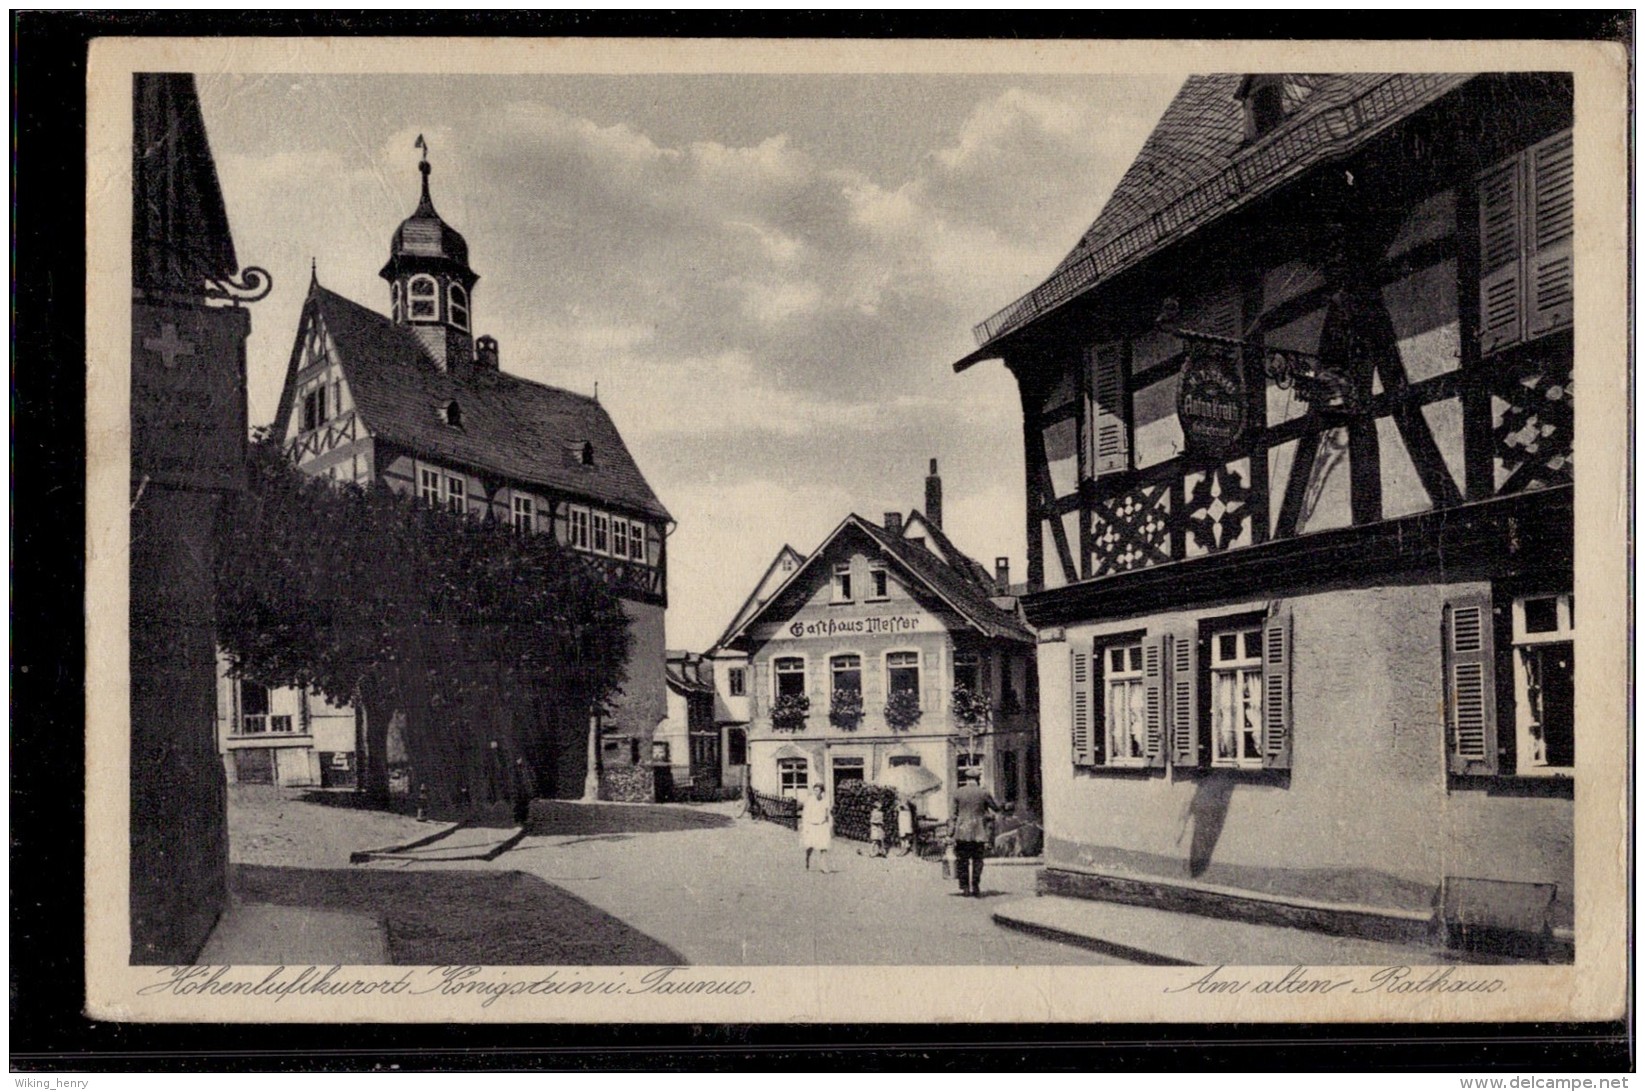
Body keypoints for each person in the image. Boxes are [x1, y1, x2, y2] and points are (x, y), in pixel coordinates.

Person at [950, 779, 1002, 897]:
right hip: (979, 831)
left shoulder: (958, 792)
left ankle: (965, 887)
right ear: (978, 780)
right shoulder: (983, 793)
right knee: (977, 860)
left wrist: (950, 832)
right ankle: (976, 885)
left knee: (962, 860)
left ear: (967, 780)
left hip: (962, 831)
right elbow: (995, 808)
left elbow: (953, 814)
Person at [800, 783, 835, 872]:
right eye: (814, 790)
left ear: (822, 791)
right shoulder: (810, 801)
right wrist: (805, 828)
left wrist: (829, 826)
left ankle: (823, 866)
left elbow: (828, 814)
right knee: (810, 846)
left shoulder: (825, 801)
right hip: (812, 826)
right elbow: (805, 815)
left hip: (822, 826)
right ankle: (807, 859)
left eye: (818, 790)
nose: (816, 792)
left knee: (823, 846)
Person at [511, 756, 536, 827]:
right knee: (520, 804)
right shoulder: (517, 770)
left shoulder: (525, 770)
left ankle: (522, 819)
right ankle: (520, 818)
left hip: (523, 790)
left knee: (523, 804)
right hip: (520, 790)